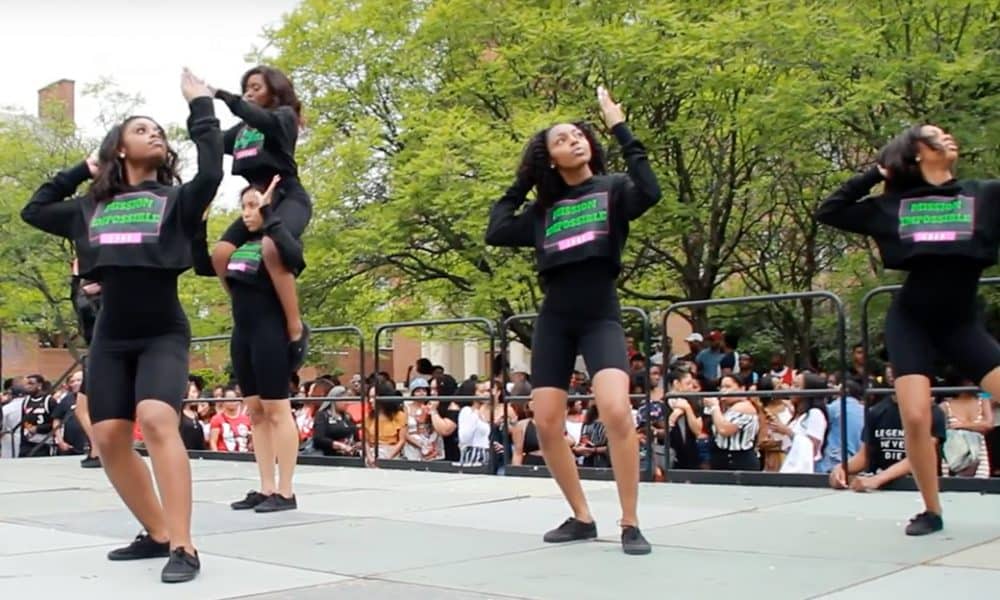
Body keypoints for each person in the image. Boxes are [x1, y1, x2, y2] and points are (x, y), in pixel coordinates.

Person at [20, 68, 223, 582]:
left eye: (158, 130)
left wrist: (200, 106)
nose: (154, 134)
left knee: (155, 418)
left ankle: (184, 545)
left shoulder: (176, 200)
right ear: (119, 149)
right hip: (111, 335)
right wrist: (82, 168)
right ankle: (156, 532)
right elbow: (34, 210)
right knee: (108, 435)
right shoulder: (91, 207)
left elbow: (211, 172)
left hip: (162, 330)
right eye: (140, 129)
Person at [485, 86, 661, 555]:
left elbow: (651, 191)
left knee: (616, 409)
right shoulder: (542, 212)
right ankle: (582, 516)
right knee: (546, 422)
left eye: (578, 135)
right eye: (561, 140)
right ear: (550, 158)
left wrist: (620, 127)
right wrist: (524, 180)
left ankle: (630, 521)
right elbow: (497, 229)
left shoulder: (613, 189)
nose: (574, 141)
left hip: (600, 314)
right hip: (555, 319)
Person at [816, 123, 1000, 536]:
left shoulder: (984, 195)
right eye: (934, 135)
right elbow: (830, 210)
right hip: (912, 320)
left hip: (961, 323)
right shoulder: (895, 206)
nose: (947, 138)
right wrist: (875, 173)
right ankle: (931, 511)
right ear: (916, 153)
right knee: (915, 417)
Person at [192, 179, 301, 512]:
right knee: (255, 411)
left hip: (271, 332)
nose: (247, 213)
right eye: (243, 207)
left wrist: (270, 215)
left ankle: (286, 491)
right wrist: (200, 224)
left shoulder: (277, 241)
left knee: (277, 409)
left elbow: (294, 259)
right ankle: (267, 486)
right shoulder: (240, 246)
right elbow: (204, 265)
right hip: (243, 333)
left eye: (253, 205)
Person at [207, 66, 311, 371]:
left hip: (286, 197)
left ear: (274, 91)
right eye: (246, 88)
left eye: (256, 88)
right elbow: (212, 140)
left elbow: (262, 119)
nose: (249, 93)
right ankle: (245, 306)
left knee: (271, 246)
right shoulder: (242, 131)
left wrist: (224, 96)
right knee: (221, 254)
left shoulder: (284, 118)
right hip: (255, 201)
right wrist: (199, 107)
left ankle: (295, 326)